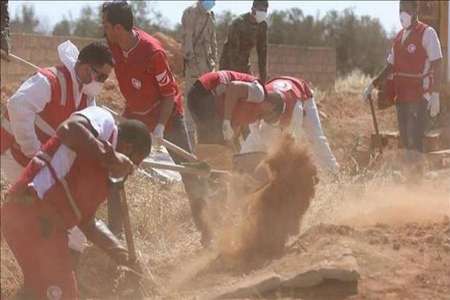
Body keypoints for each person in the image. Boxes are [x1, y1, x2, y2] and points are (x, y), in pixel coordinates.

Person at [1, 106, 152, 300]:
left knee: (36, 290)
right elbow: (70, 128)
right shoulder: (104, 122)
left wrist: (122, 256)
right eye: (135, 162)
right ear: (128, 148)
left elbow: (88, 223)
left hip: (37, 224)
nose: (130, 170)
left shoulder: (101, 180)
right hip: (34, 213)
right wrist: (110, 156)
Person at [101, 1, 211, 246]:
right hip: (134, 114)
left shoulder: (153, 53)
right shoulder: (112, 44)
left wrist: (160, 127)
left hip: (167, 115)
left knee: (189, 172)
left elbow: (169, 95)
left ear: (118, 27)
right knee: (114, 170)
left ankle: (208, 233)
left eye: (106, 25)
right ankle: (114, 238)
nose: (103, 29)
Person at [0, 40, 113, 256]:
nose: (102, 83)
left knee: (73, 217)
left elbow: (91, 132)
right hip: (13, 155)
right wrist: (34, 151)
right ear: (85, 68)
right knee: (42, 212)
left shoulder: (87, 97)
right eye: (101, 77)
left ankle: (68, 266)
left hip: (41, 162)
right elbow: (17, 105)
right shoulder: (49, 80)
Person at [363, 0, 443, 169]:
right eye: (400, 9)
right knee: (406, 140)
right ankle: (410, 179)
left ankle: (416, 181)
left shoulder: (427, 33)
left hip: (420, 96)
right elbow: (390, 66)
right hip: (402, 97)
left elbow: (438, 65)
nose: (402, 13)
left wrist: (435, 94)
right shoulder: (398, 37)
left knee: (416, 139)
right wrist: (373, 84)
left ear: (416, 9)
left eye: (406, 9)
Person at [240, 76, 340, 175]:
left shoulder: (295, 110)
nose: (265, 117)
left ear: (280, 114)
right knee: (257, 139)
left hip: (303, 98)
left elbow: (293, 141)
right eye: (264, 114)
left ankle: (333, 172)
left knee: (316, 138)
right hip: (280, 92)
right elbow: (254, 130)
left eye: (270, 116)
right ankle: (240, 169)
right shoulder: (258, 101)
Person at [187, 70, 284, 146]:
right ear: (271, 106)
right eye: (271, 117)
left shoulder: (253, 112)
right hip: (205, 91)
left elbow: (236, 125)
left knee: (213, 142)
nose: (264, 119)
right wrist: (226, 121)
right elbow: (233, 88)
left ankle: (205, 166)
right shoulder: (259, 93)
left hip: (204, 98)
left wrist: (230, 141)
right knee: (214, 141)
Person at [181, 0, 217, 145]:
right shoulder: (190, 13)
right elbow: (187, 39)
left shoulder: (211, 16)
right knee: (191, 103)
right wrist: (191, 63)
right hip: (194, 67)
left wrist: (215, 64)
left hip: (208, 67)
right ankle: (189, 142)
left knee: (207, 104)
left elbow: (213, 41)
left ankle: (206, 141)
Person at [219, 0, 268, 83]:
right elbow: (233, 52)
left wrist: (263, 79)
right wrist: (238, 77)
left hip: (244, 64)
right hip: (228, 64)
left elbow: (262, 53)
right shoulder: (238, 23)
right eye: (260, 10)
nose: (263, 13)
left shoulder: (262, 26)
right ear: (253, 9)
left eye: (265, 10)